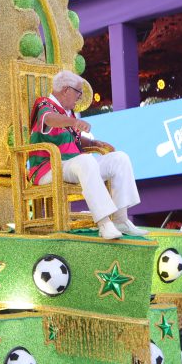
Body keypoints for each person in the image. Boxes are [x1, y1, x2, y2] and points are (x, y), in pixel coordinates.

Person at [30, 70, 148, 240]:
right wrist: (74, 121)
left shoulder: (67, 113)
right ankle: (104, 223)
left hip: (72, 165)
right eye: (78, 92)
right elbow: (50, 120)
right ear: (66, 90)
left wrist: (93, 143)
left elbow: (73, 140)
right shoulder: (44, 104)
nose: (79, 98)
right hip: (49, 168)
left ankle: (120, 220)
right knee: (86, 161)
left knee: (119, 158)